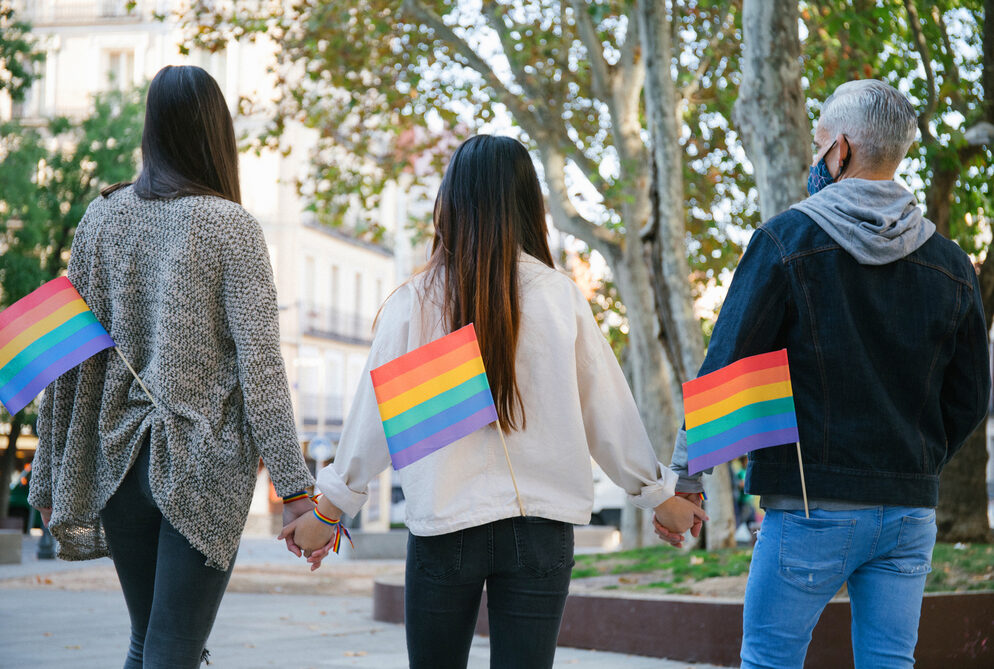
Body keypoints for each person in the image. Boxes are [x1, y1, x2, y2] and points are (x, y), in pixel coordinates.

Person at [281, 134, 706, 669]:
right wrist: (660, 496)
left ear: (449, 204)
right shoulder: (559, 296)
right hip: (542, 530)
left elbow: (373, 423)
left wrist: (327, 512)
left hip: (445, 528)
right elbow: (609, 417)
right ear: (529, 204)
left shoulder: (415, 302)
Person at [665, 79, 990, 668]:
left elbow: (728, 365)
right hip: (909, 510)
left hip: (811, 503)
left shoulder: (786, 239)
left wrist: (687, 474)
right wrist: (914, 463)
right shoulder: (951, 264)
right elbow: (972, 398)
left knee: (770, 660)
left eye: (819, 144)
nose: (816, 157)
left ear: (839, 150)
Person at [28, 65, 316, 669]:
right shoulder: (231, 227)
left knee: (152, 644)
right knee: (171, 651)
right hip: (200, 468)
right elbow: (260, 367)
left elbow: (65, 361)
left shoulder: (100, 218)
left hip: (118, 463)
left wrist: (49, 480)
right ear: (218, 133)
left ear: (151, 130)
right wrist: (293, 489)